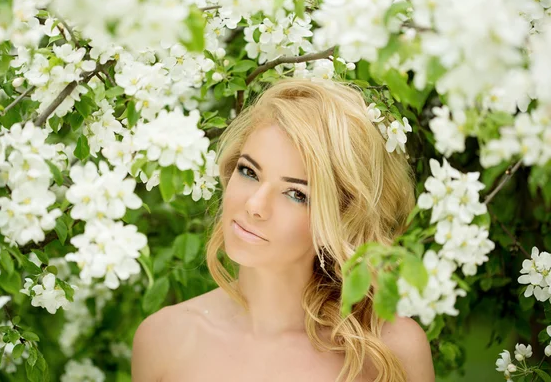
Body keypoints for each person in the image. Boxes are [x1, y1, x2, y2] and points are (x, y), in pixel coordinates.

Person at [131, 78, 435, 382]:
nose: (255, 205)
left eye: (296, 194)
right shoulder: (164, 340)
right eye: (249, 171)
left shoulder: (390, 351)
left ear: (342, 216)